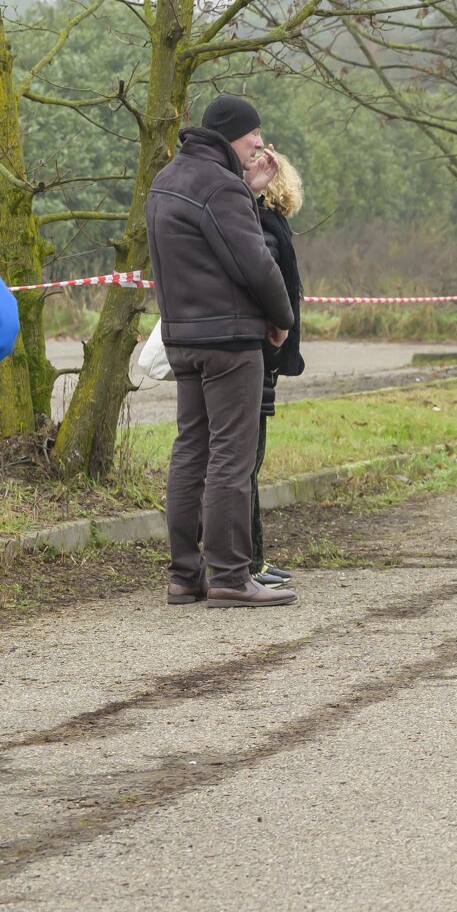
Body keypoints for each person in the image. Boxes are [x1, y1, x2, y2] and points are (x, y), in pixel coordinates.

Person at [146, 94, 296, 608]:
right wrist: (282, 319)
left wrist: (247, 191)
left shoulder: (167, 180)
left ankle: (185, 576)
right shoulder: (220, 186)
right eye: (254, 134)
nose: (260, 143)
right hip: (229, 343)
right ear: (233, 134)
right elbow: (255, 263)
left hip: (182, 339)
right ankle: (231, 576)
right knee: (232, 454)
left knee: (190, 451)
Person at [248, 150, 306, 588]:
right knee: (247, 463)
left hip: (262, 355)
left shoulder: (267, 224)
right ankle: (250, 562)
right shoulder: (268, 227)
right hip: (261, 353)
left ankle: (255, 559)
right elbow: (267, 285)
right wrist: (280, 328)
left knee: (247, 463)